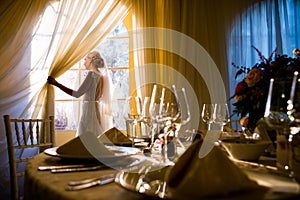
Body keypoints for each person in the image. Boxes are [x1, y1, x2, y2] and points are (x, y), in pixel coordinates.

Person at [48, 51, 113, 137]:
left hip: (89, 110)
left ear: (91, 61)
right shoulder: (101, 75)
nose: (84, 62)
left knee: (86, 136)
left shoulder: (92, 74)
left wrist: (57, 84)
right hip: (96, 109)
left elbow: (77, 94)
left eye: (85, 60)